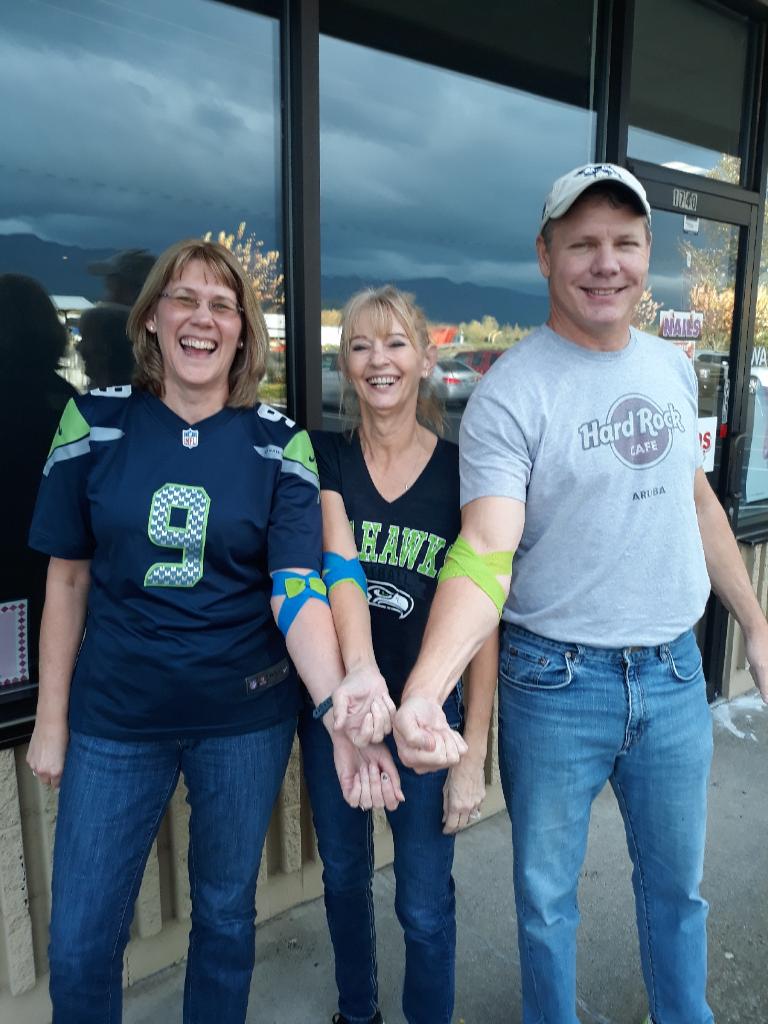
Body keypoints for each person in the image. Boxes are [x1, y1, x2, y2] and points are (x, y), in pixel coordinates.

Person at [392, 164, 768, 1024]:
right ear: (546, 255)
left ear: (647, 256)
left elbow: (698, 498)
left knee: (679, 891)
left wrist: (754, 624)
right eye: (584, 244)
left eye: (625, 244)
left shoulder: (675, 370)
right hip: (555, 685)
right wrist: (426, 688)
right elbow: (486, 548)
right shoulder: (511, 394)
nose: (607, 264)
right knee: (546, 903)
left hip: (675, 677)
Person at [25, 238, 400, 1024]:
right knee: (81, 940)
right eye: (184, 299)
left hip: (242, 719)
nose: (202, 317)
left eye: (221, 304)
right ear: (153, 317)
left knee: (226, 919)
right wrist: (51, 721)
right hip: (116, 719)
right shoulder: (94, 422)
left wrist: (336, 711)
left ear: (242, 331)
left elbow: (295, 589)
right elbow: (66, 578)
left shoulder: (278, 441)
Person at [300, 285, 498, 1024]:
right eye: (359, 345)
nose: (377, 360)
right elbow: (324, 574)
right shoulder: (322, 458)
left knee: (422, 899)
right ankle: (358, 1014)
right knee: (345, 880)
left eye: (393, 344)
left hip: (426, 717)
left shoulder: (462, 470)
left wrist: (472, 751)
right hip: (341, 712)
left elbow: (482, 623)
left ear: (424, 357)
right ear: (345, 366)